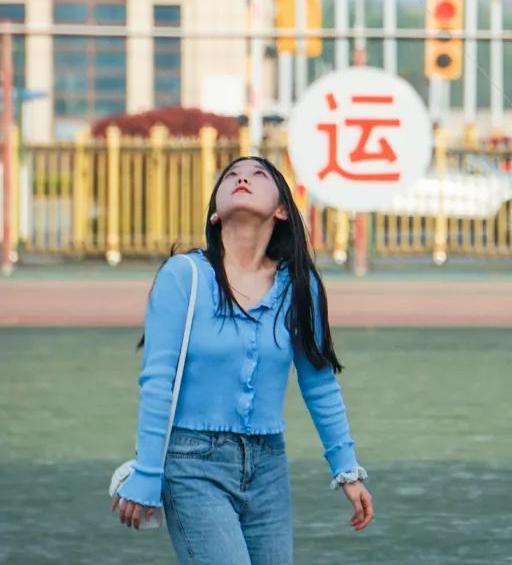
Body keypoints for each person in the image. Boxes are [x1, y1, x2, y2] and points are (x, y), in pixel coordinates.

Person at [112, 156, 374, 564]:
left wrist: (347, 469)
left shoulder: (301, 286)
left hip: (269, 467)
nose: (242, 179)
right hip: (192, 465)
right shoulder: (183, 276)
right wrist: (148, 472)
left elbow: (319, 382)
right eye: (231, 175)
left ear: (282, 209)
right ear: (215, 212)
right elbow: (158, 380)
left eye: (257, 175)